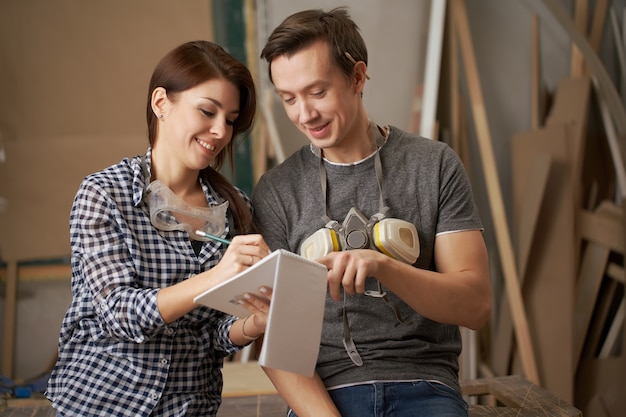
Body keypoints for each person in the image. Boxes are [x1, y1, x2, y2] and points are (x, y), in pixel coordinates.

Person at [252, 7, 492, 417]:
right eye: (288, 99)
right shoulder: (277, 191)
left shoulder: (433, 165)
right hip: (327, 393)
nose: (304, 115)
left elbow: (475, 306)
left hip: (424, 385)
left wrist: (385, 266)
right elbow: (278, 345)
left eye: (317, 92)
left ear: (358, 77)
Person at [46, 40, 272, 417]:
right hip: (100, 405)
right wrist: (217, 276)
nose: (220, 131)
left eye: (230, 120)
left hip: (188, 407)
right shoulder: (104, 194)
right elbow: (119, 313)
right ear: (161, 103)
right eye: (207, 111)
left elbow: (212, 336)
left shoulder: (236, 209)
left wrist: (254, 323)